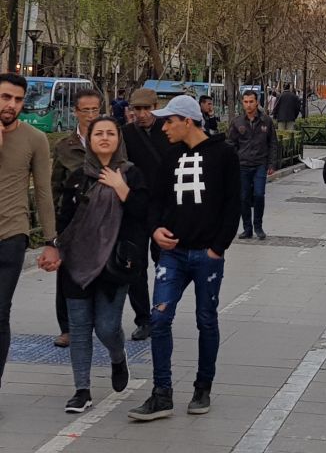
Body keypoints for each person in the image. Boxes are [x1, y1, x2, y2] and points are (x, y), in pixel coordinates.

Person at [128, 95, 240, 421]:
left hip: (207, 254)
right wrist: (155, 230)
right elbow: (155, 200)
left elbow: (233, 204)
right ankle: (161, 393)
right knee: (159, 318)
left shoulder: (224, 154)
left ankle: (203, 386)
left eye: (169, 121)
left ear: (186, 121)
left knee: (206, 319)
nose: (164, 127)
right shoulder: (171, 156)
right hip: (172, 253)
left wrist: (217, 247)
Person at [56, 116, 148, 412]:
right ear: (90, 140)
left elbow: (144, 215)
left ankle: (118, 357)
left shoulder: (132, 175)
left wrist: (123, 190)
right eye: (99, 134)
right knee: (80, 329)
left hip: (114, 264)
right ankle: (81, 390)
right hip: (76, 263)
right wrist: (53, 248)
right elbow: (63, 221)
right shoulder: (78, 176)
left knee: (107, 327)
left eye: (111, 133)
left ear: (119, 139)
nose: (105, 138)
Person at [0, 73, 60, 389]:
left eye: (18, 99)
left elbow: (44, 193)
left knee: (0, 314)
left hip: (11, 235)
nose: (11, 105)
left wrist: (50, 241)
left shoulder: (35, 138)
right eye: (5, 97)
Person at [51, 88, 104, 348]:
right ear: (76, 112)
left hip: (103, 220)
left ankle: (99, 321)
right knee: (66, 275)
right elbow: (54, 187)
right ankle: (67, 327)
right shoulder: (66, 146)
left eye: (96, 110)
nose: (91, 115)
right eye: (86, 110)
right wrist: (52, 228)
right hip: (72, 221)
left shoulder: (111, 141)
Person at [122, 87, 175, 341]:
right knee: (136, 266)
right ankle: (143, 318)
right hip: (135, 208)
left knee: (164, 265)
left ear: (156, 107)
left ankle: (162, 313)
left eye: (147, 109)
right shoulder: (126, 134)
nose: (142, 114)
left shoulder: (169, 131)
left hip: (164, 209)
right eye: (137, 109)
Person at [228, 90, 277, 240]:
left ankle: (258, 227)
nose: (248, 105)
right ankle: (247, 228)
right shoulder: (237, 122)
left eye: (251, 101)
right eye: (245, 102)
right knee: (243, 197)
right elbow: (230, 144)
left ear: (257, 102)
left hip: (260, 164)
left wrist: (272, 164)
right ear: (242, 103)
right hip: (242, 165)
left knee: (258, 195)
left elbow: (273, 143)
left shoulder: (266, 121)